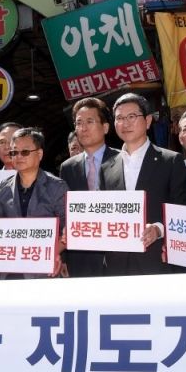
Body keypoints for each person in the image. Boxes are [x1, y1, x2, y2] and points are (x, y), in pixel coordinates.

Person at [101, 93, 186, 275]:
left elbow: (182, 210)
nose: (125, 123)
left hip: (156, 259)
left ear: (148, 121)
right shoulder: (107, 167)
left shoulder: (171, 161)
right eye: (119, 118)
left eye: (132, 116)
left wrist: (159, 229)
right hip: (116, 264)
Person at [0, 128, 66, 278]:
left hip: (42, 271)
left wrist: (52, 253)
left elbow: (68, 230)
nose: (18, 156)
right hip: (9, 270)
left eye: (25, 152)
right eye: (14, 152)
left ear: (39, 154)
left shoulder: (57, 187)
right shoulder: (3, 187)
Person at [58, 97, 116, 277]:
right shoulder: (68, 167)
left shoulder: (122, 160)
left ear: (105, 127)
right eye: (78, 123)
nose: (83, 128)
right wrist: (64, 257)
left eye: (90, 122)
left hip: (115, 250)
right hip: (80, 255)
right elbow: (64, 212)